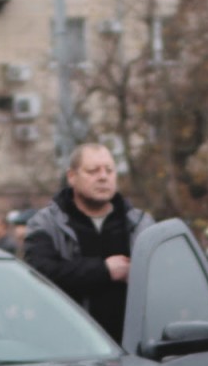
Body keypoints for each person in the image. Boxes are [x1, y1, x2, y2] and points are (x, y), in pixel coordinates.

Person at [23, 142, 155, 342]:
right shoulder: (46, 224)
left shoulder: (140, 224)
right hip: (70, 348)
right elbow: (39, 276)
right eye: (93, 171)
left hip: (134, 349)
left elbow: (164, 279)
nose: (103, 177)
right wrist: (104, 270)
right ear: (72, 177)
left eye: (109, 170)